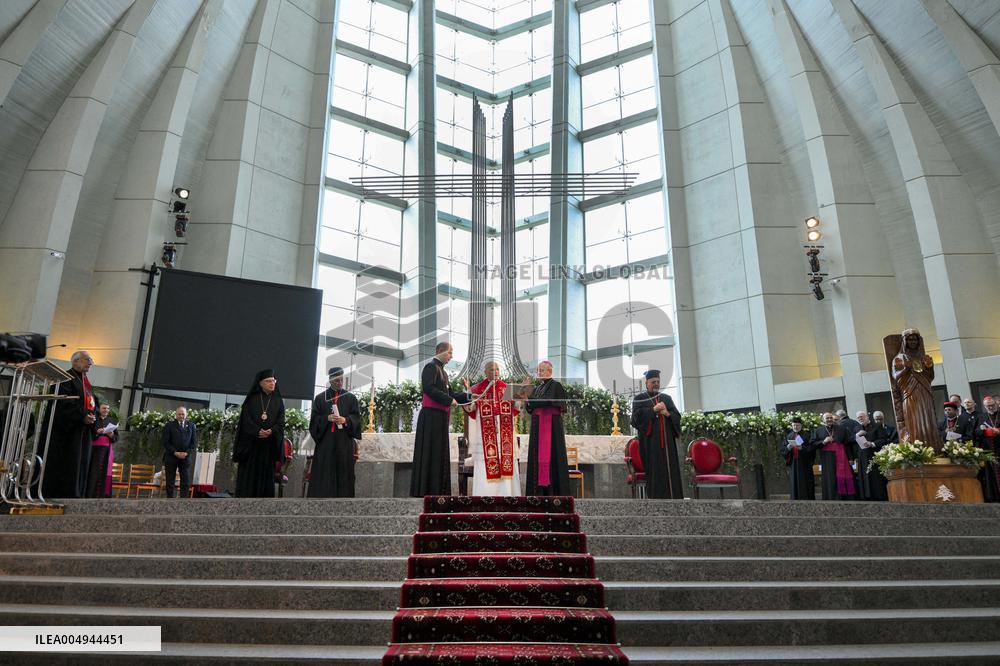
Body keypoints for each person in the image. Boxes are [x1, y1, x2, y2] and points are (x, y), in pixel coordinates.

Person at [410, 343, 469, 497]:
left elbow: (452, 393)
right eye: (450, 353)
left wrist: (469, 397)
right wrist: (448, 400)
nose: (451, 356)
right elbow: (429, 388)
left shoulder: (442, 371)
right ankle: (426, 490)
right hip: (431, 417)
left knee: (439, 454)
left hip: (440, 418)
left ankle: (438, 491)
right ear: (440, 351)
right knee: (430, 453)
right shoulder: (430, 367)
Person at [42, 350, 98, 499]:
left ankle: (78, 494)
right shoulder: (64, 379)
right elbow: (63, 403)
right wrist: (82, 416)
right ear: (76, 361)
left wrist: (92, 417)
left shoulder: (86, 384)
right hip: (66, 435)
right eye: (88, 359)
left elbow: (93, 404)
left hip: (82, 433)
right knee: (67, 465)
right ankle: (63, 494)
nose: (91, 362)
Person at [465, 361, 521, 497]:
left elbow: (516, 408)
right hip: (485, 435)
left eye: (497, 369)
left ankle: (508, 494)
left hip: (504, 434)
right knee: (485, 462)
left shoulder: (506, 387)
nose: (495, 372)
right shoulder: (478, 388)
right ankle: (483, 494)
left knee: (505, 461)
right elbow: (470, 409)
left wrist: (520, 396)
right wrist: (467, 393)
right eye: (491, 369)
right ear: (485, 372)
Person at [308, 367, 362, 498]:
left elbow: (357, 420)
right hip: (326, 443)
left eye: (342, 380)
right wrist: (326, 418)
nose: (340, 383)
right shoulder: (321, 398)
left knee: (343, 473)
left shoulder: (350, 398)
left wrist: (346, 420)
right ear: (330, 380)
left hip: (343, 443)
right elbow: (314, 422)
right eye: (337, 380)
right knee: (324, 472)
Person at [630, 369, 683, 499]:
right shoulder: (639, 399)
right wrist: (653, 410)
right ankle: (655, 501)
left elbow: (677, 417)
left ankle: (674, 499)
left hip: (668, 445)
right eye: (653, 381)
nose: (656, 384)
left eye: (658, 382)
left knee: (671, 471)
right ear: (647, 382)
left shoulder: (667, 398)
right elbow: (635, 419)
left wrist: (667, 413)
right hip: (650, 444)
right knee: (655, 472)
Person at [233, 369, 285, 497]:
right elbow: (246, 420)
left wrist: (271, 431)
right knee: (249, 477)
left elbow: (281, 421)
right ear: (260, 383)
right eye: (268, 381)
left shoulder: (278, 401)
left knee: (266, 478)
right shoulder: (251, 400)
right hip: (251, 446)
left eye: (273, 381)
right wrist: (257, 431)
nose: (272, 383)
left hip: (268, 446)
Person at [525, 360, 571, 496]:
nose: (539, 372)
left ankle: (554, 493)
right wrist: (526, 394)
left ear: (550, 371)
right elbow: (529, 407)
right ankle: (537, 493)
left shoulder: (556, 385)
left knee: (553, 457)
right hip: (537, 426)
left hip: (551, 428)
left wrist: (529, 397)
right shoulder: (538, 388)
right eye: (538, 370)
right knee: (536, 457)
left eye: (542, 370)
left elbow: (548, 401)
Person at [891, 329, 941, 449]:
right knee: (914, 420)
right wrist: (905, 369)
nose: (913, 341)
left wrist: (930, 368)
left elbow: (930, 378)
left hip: (925, 392)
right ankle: (916, 448)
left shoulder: (923, 357)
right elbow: (895, 378)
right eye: (910, 339)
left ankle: (932, 447)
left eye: (915, 339)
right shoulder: (899, 358)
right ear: (904, 341)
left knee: (928, 419)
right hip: (909, 393)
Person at [811, 412, 856, 500]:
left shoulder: (842, 428)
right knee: (830, 477)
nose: (829, 419)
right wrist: (823, 441)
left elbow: (848, 444)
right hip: (827, 458)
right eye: (827, 418)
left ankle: (844, 497)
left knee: (843, 476)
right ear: (823, 420)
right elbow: (813, 444)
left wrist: (851, 457)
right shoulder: (818, 430)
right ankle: (831, 497)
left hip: (842, 456)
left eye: (830, 417)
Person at [161, 406, 197, 498]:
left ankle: (183, 501)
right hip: (171, 456)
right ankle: (170, 500)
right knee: (170, 480)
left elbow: (194, 443)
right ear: (176, 415)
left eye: (183, 414)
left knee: (185, 480)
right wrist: (175, 452)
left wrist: (187, 453)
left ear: (186, 415)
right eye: (179, 414)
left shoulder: (191, 426)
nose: (181, 416)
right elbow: (165, 442)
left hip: (185, 458)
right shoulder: (169, 425)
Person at [854, 411, 888, 501]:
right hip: (862, 457)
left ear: (867, 416)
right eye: (858, 418)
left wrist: (872, 443)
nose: (860, 419)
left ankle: (879, 495)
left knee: (875, 477)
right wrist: (857, 435)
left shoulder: (877, 426)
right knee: (865, 476)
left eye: (862, 416)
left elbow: (883, 439)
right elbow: (851, 441)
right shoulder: (857, 428)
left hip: (874, 455)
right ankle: (866, 496)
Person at [781, 416, 815, 500]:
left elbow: (812, 449)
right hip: (794, 463)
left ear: (801, 426)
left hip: (804, 464)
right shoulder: (789, 436)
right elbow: (782, 450)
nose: (795, 427)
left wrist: (802, 449)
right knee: (794, 483)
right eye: (794, 426)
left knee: (805, 483)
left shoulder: (807, 435)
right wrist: (788, 448)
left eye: (797, 425)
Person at [88, 403, 118, 497]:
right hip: (94, 450)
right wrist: (97, 433)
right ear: (100, 409)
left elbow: (116, 437)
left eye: (108, 408)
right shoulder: (94, 419)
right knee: (93, 471)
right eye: (104, 408)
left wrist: (111, 435)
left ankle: (102, 494)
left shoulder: (112, 421)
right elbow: (88, 434)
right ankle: (90, 493)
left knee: (104, 472)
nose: (106, 410)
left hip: (106, 451)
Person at [973, 396, 1000, 502]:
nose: (990, 407)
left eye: (992, 405)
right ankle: (995, 496)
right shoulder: (981, 417)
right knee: (991, 475)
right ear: (984, 406)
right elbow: (975, 433)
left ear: (996, 404)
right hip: (989, 449)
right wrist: (981, 429)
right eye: (988, 406)